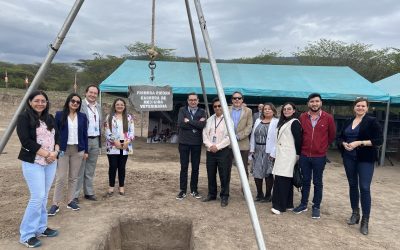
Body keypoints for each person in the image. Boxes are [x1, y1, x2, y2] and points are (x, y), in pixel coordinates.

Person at [16, 90, 59, 248]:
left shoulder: (50, 118)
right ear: (30, 102)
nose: (40, 103)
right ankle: (26, 234)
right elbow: (26, 141)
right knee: (37, 196)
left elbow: (58, 136)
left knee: (44, 195)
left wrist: (55, 153)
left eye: (43, 101)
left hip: (50, 162)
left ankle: (41, 228)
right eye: (37, 100)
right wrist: (48, 154)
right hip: (33, 162)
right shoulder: (23, 118)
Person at [336, 97, 383, 235]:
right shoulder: (348, 121)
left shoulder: (372, 121)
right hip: (349, 158)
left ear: (367, 108)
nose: (360, 108)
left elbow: (379, 140)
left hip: (365, 159)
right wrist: (343, 144)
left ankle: (365, 221)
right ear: (354, 107)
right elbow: (340, 137)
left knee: (364, 187)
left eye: (363, 106)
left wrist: (359, 142)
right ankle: (355, 213)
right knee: (352, 185)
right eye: (358, 105)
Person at [293, 93, 336, 219]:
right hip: (305, 155)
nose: (314, 104)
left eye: (317, 101)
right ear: (308, 104)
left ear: (321, 103)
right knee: (305, 181)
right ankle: (303, 204)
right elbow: (300, 135)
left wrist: (322, 147)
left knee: (317, 182)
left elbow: (332, 135)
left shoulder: (328, 118)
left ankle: (316, 206)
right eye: (312, 101)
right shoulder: (302, 117)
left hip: (319, 156)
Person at [48, 93, 88, 216]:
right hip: (63, 150)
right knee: (60, 177)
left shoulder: (82, 116)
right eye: (73, 101)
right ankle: (55, 204)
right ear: (68, 101)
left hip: (78, 150)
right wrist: (56, 147)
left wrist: (86, 150)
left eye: (78, 102)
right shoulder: (60, 115)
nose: (75, 103)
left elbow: (84, 134)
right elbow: (55, 133)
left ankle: (70, 201)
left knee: (73, 177)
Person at [270, 103, 302, 214]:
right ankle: (288, 204)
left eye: (289, 109)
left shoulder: (295, 122)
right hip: (282, 154)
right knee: (286, 179)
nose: (286, 111)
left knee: (281, 180)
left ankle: (279, 206)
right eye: (284, 109)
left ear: (294, 110)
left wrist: (298, 155)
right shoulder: (284, 122)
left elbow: (298, 140)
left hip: (289, 155)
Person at [74, 85, 102, 202]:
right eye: (91, 92)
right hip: (82, 140)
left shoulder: (99, 107)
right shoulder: (79, 105)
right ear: (86, 93)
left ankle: (88, 192)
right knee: (79, 169)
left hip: (95, 140)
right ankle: (74, 195)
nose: (93, 95)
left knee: (90, 169)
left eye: (95, 93)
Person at [176, 93, 207, 200]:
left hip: (196, 143)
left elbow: (202, 125)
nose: (193, 102)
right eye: (191, 100)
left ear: (198, 101)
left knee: (195, 167)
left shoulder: (202, 111)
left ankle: (194, 189)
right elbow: (181, 124)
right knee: (184, 167)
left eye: (195, 100)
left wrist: (189, 121)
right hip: (184, 142)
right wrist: (196, 123)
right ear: (188, 101)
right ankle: (182, 190)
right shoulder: (182, 110)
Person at [202, 98, 232, 207]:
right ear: (213, 108)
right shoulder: (209, 119)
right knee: (211, 173)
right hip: (210, 151)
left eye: (219, 106)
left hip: (223, 151)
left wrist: (218, 146)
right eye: (215, 106)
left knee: (224, 174)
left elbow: (230, 137)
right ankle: (212, 194)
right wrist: (210, 146)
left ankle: (224, 196)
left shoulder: (229, 120)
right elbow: (204, 135)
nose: (217, 108)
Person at [104, 98, 135, 196]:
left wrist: (128, 141)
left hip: (125, 145)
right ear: (114, 105)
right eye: (118, 104)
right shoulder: (109, 117)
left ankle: (121, 187)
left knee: (122, 167)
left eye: (122, 104)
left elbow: (132, 131)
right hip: (112, 146)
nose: (120, 106)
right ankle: (111, 187)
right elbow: (107, 131)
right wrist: (115, 142)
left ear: (124, 106)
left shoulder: (129, 117)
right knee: (113, 166)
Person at [249, 103, 278, 202]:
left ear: (273, 111)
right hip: (257, 149)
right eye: (265, 109)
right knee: (257, 172)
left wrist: (274, 153)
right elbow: (253, 135)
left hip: (269, 151)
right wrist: (252, 149)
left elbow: (277, 139)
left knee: (268, 173)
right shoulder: (258, 120)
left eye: (269, 109)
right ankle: (259, 193)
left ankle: (268, 195)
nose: (267, 110)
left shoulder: (276, 122)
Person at [229, 91, 253, 178]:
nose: (237, 100)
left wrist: (238, 136)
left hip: (243, 144)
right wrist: (230, 137)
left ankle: (245, 190)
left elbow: (249, 126)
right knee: (226, 169)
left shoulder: (248, 111)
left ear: (242, 100)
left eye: (239, 98)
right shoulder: (226, 109)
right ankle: (225, 191)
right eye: (235, 98)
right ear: (232, 100)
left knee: (243, 169)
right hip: (228, 144)